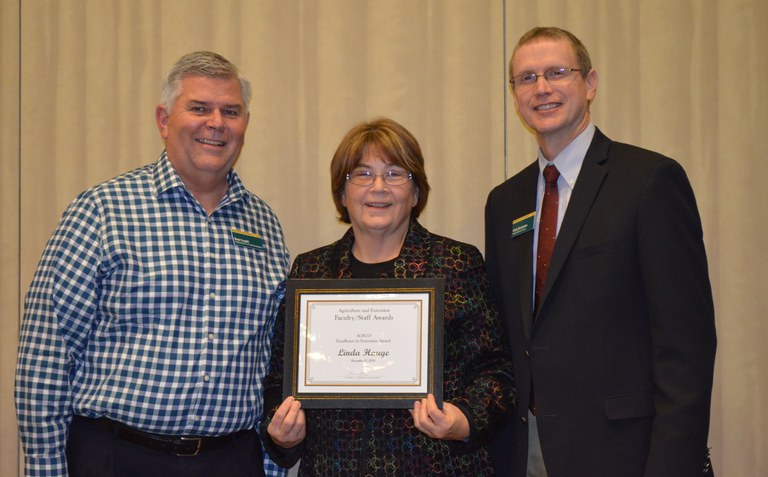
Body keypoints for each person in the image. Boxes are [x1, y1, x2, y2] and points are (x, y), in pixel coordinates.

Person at [15, 51, 290, 477]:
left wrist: (269, 468)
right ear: (164, 120)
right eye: (199, 108)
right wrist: (46, 468)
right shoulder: (102, 211)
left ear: (245, 124)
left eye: (230, 111)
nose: (216, 122)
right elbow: (46, 356)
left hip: (231, 459)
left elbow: (271, 359)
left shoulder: (265, 224)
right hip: (118, 457)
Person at [484, 26, 717, 477]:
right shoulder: (504, 202)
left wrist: (672, 465)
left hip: (626, 453)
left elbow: (685, 346)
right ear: (514, 95)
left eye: (557, 72)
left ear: (589, 84)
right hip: (526, 452)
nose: (542, 88)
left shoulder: (649, 181)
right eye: (526, 78)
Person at [260, 117, 516, 476]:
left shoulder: (455, 263)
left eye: (395, 174)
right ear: (342, 192)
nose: (378, 187)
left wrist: (463, 420)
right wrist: (283, 432)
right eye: (362, 175)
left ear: (415, 192)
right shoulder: (311, 270)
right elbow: (279, 380)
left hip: (438, 467)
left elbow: (497, 371)